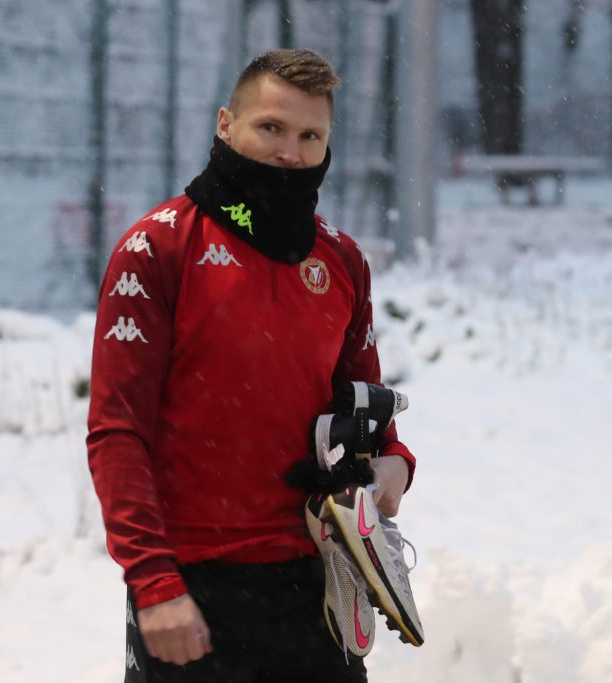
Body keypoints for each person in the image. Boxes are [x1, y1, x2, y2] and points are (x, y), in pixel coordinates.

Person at [86, 48, 416, 682]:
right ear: (225, 124)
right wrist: (153, 582)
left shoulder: (342, 260)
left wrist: (395, 461)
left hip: (319, 582)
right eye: (271, 127)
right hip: (191, 589)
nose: (289, 152)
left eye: (309, 136)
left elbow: (364, 407)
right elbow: (116, 432)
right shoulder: (156, 247)